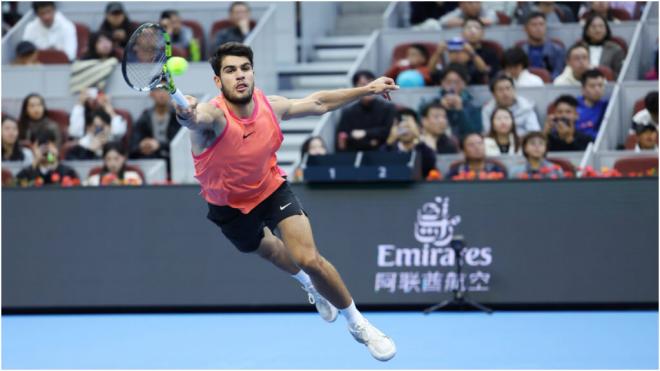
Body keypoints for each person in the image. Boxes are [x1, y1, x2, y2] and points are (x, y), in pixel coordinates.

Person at [173, 42, 398, 360]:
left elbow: (318, 102)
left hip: (271, 189)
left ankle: (358, 323)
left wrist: (368, 88)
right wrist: (186, 113)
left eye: (244, 68)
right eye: (230, 70)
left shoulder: (271, 106)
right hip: (228, 206)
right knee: (273, 251)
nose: (239, 76)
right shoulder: (214, 116)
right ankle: (307, 284)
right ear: (217, 81)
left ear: (252, 72)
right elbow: (196, 119)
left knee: (309, 257)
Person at [335, 70, 397, 152]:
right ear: (356, 88)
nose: (369, 89)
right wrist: (371, 140)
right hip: (356, 154)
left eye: (371, 84)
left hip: (383, 153)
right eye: (363, 85)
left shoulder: (388, 108)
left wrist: (365, 133)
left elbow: (388, 132)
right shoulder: (348, 112)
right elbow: (343, 136)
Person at [129, 86, 181, 165]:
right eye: (158, 90)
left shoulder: (178, 117)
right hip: (150, 162)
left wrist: (159, 145)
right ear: (151, 93)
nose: (162, 93)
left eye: (166, 89)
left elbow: (181, 145)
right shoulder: (144, 117)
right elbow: (133, 145)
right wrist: (142, 145)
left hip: (174, 163)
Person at [381, 108, 438, 178]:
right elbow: (379, 164)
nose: (404, 130)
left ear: (418, 127)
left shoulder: (423, 150)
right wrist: (390, 141)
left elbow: (430, 163)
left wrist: (418, 137)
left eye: (408, 126)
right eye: (401, 127)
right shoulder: (388, 149)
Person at [431, 64, 482, 138]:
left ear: (464, 84)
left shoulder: (473, 107)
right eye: (448, 82)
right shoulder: (433, 104)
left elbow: (474, 135)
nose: (452, 86)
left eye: (457, 82)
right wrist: (442, 108)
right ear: (442, 83)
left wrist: (460, 111)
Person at [518, 12, 566, 79]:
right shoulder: (520, 51)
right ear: (526, 29)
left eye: (541, 24)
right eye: (534, 25)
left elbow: (559, 72)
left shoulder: (557, 50)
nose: (538, 28)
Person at [576, 69, 608, 140]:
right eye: (592, 86)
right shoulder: (573, 107)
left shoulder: (607, 107)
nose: (597, 89)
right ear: (583, 89)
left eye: (600, 85)